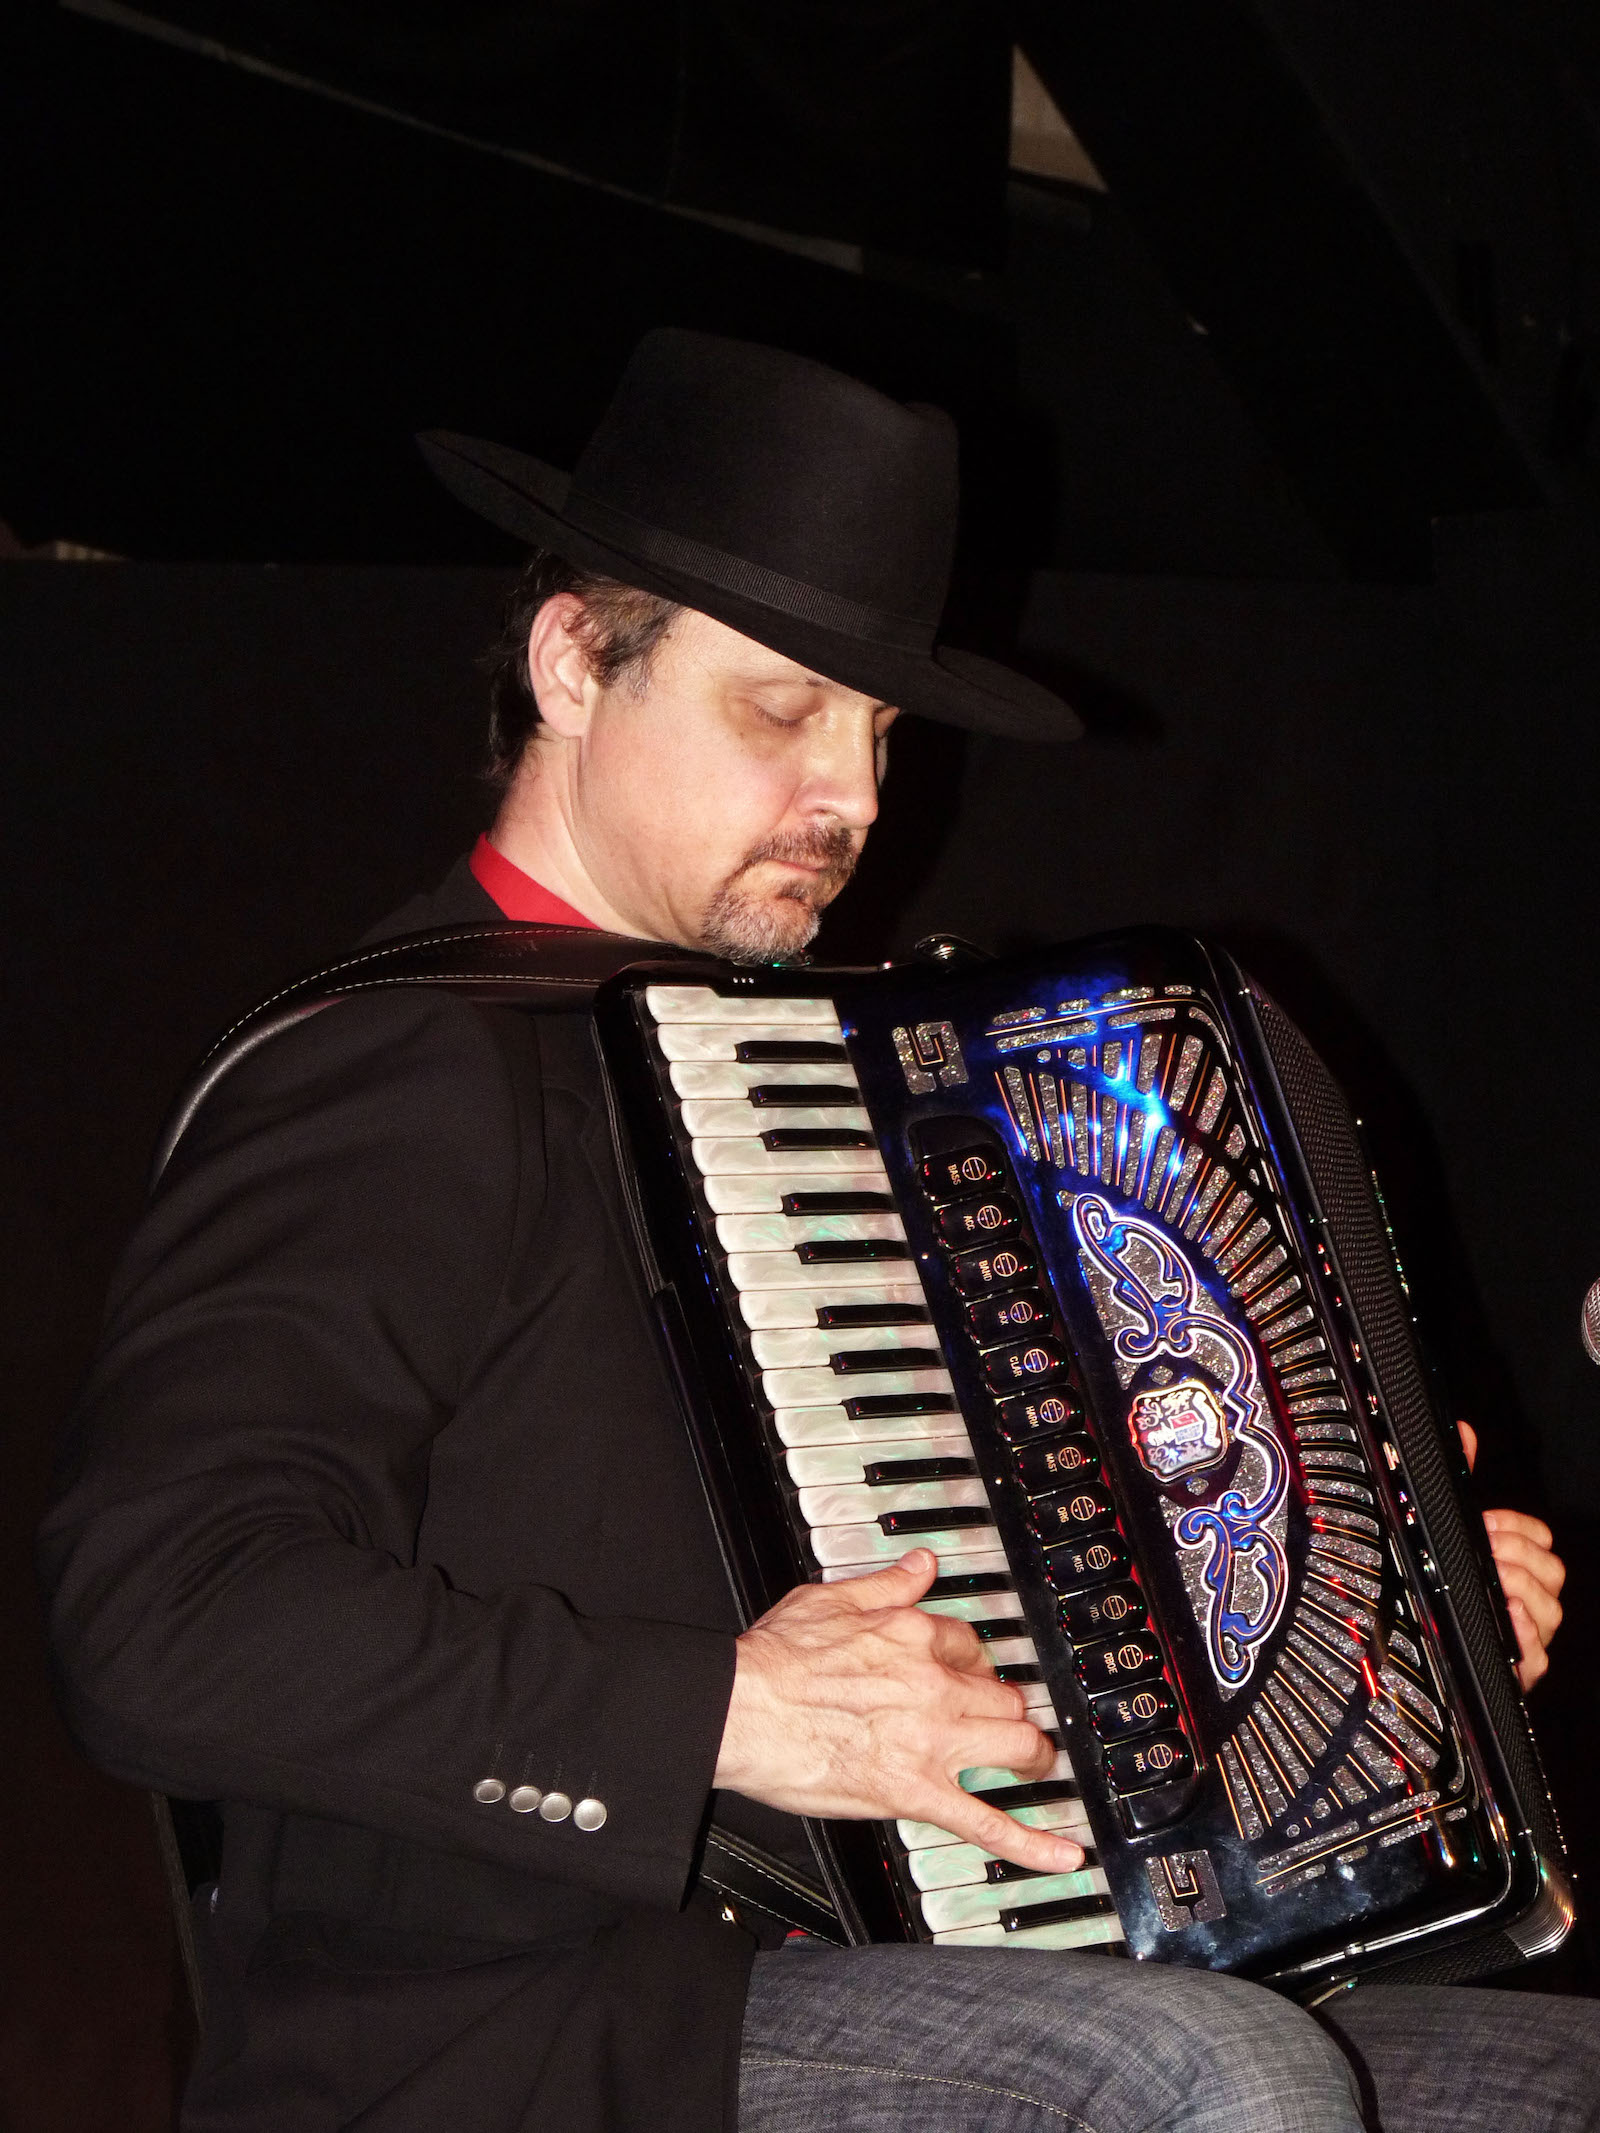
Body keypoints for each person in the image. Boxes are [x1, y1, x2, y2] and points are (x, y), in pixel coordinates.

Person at [39, 330, 1589, 2133]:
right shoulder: (403, 1067)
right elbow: (157, 1609)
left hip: (902, 1969)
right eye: (782, 711)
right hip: (515, 2032)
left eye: (879, 730)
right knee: (1214, 2081)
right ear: (573, 663)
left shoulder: (856, 1091)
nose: (853, 795)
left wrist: (1380, 1612)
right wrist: (722, 1712)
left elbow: (1048, 1587)